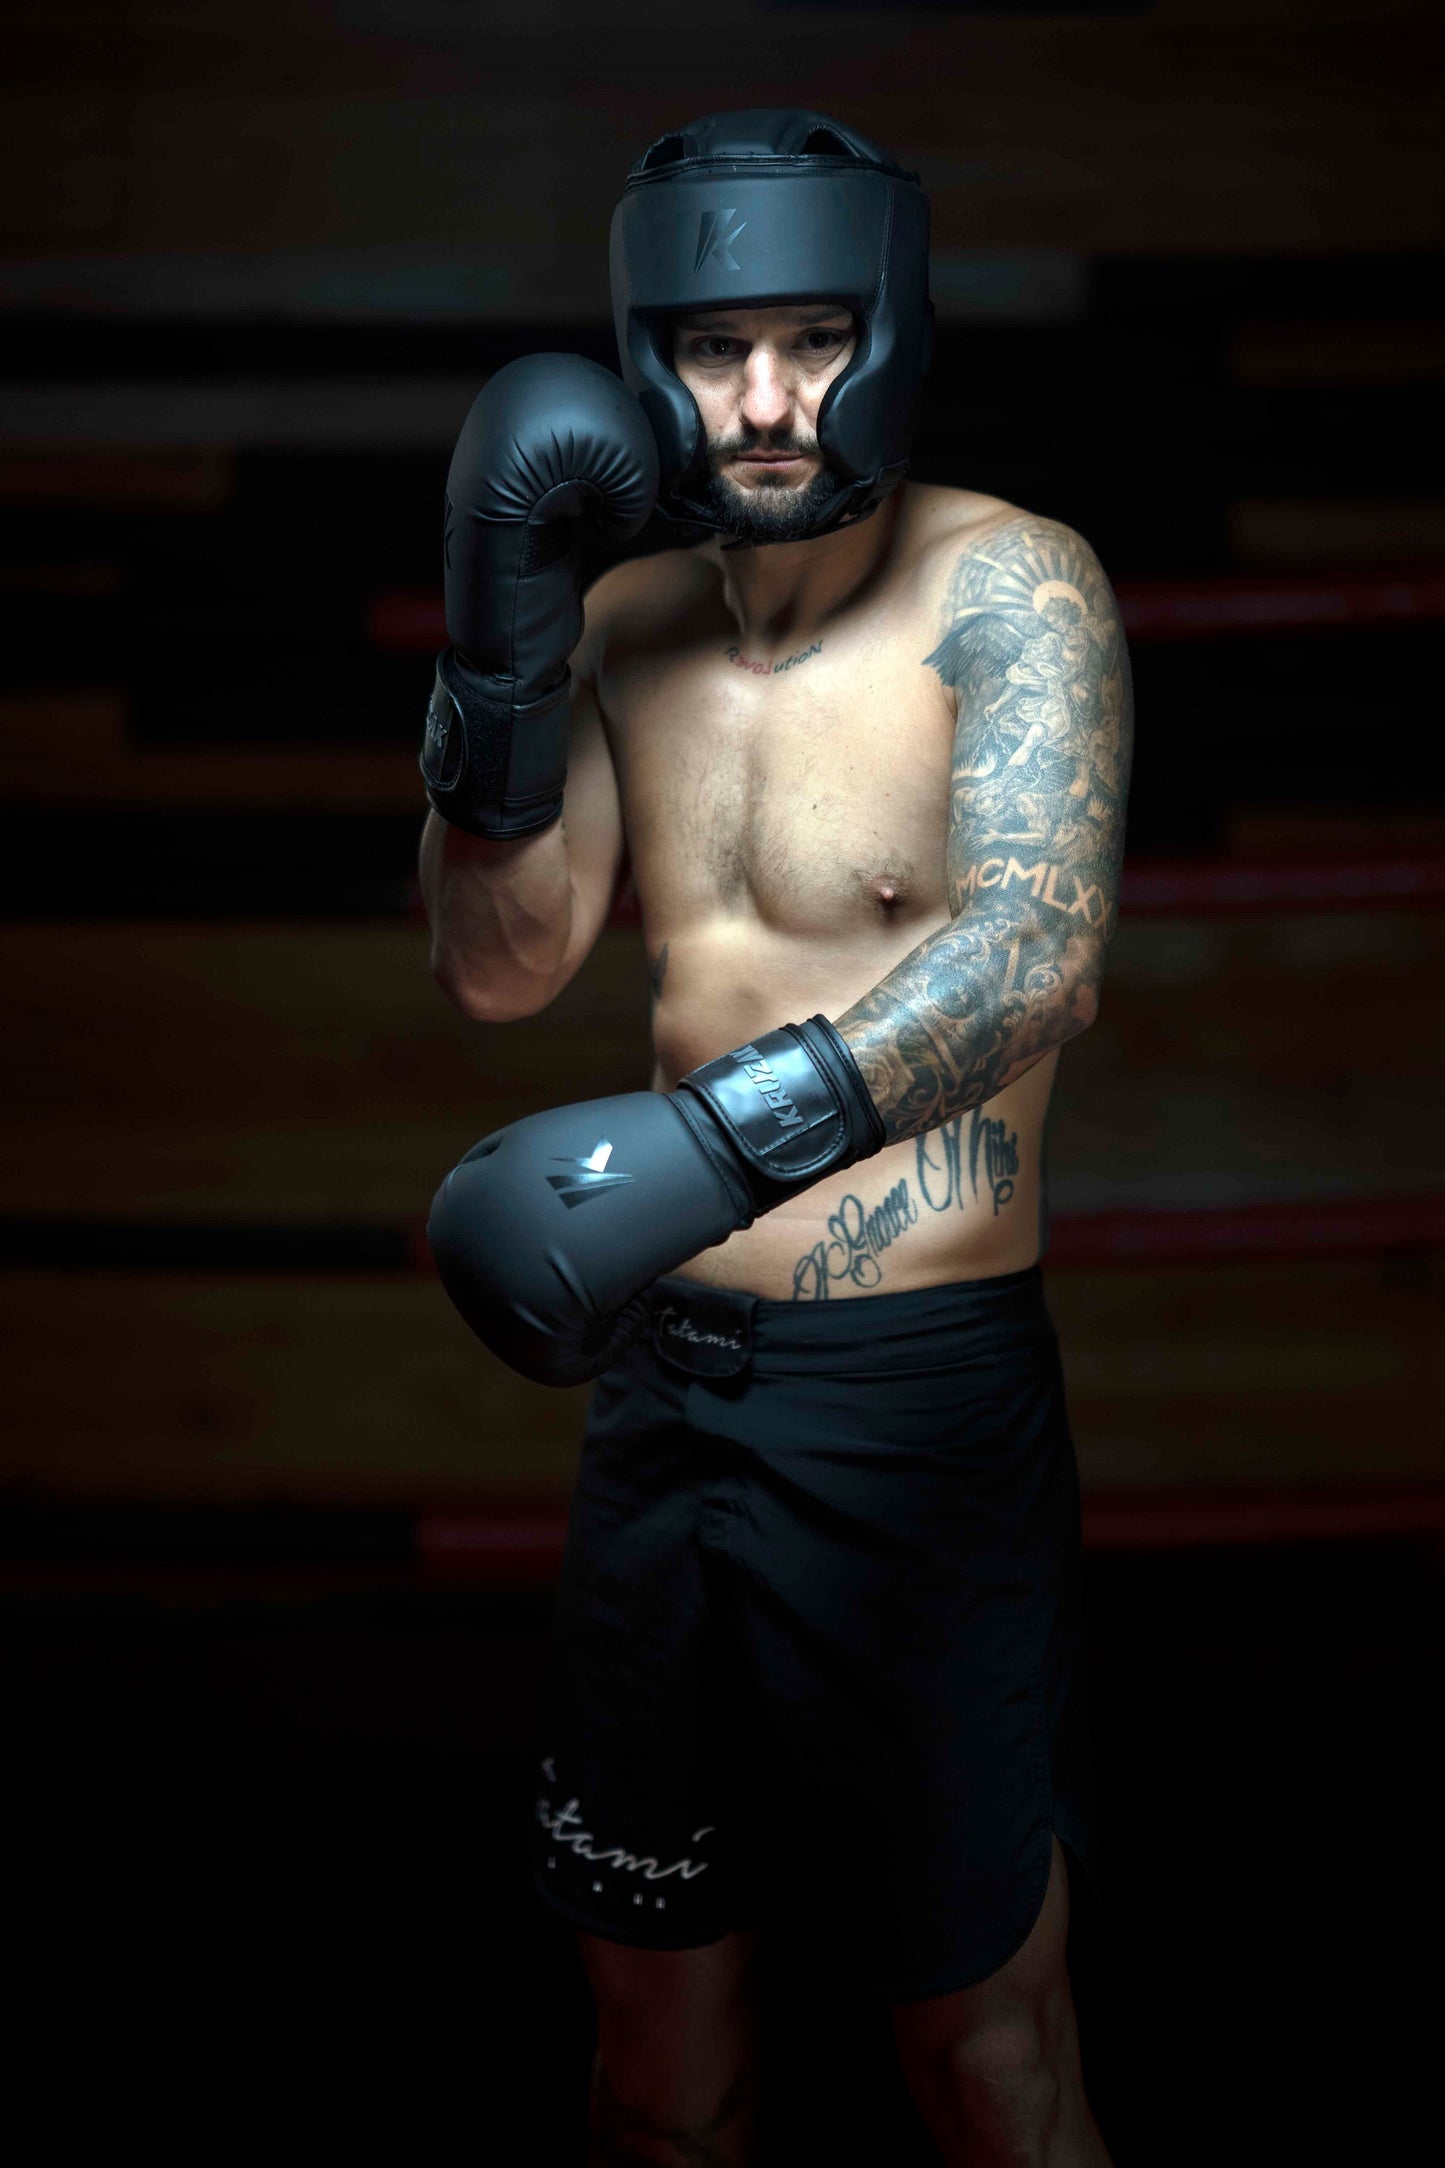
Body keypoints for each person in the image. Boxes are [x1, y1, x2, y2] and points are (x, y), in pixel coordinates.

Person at [420, 108, 1130, 2168]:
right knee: (657, 2057)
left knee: (983, 2053)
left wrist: (713, 1153)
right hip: (666, 1406)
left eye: (808, 341)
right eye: (714, 348)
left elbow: (1036, 955)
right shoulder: (628, 619)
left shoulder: (1010, 586)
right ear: (643, 354)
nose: (758, 401)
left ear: (886, 330)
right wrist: (498, 653)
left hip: (913, 1412)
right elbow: (502, 970)